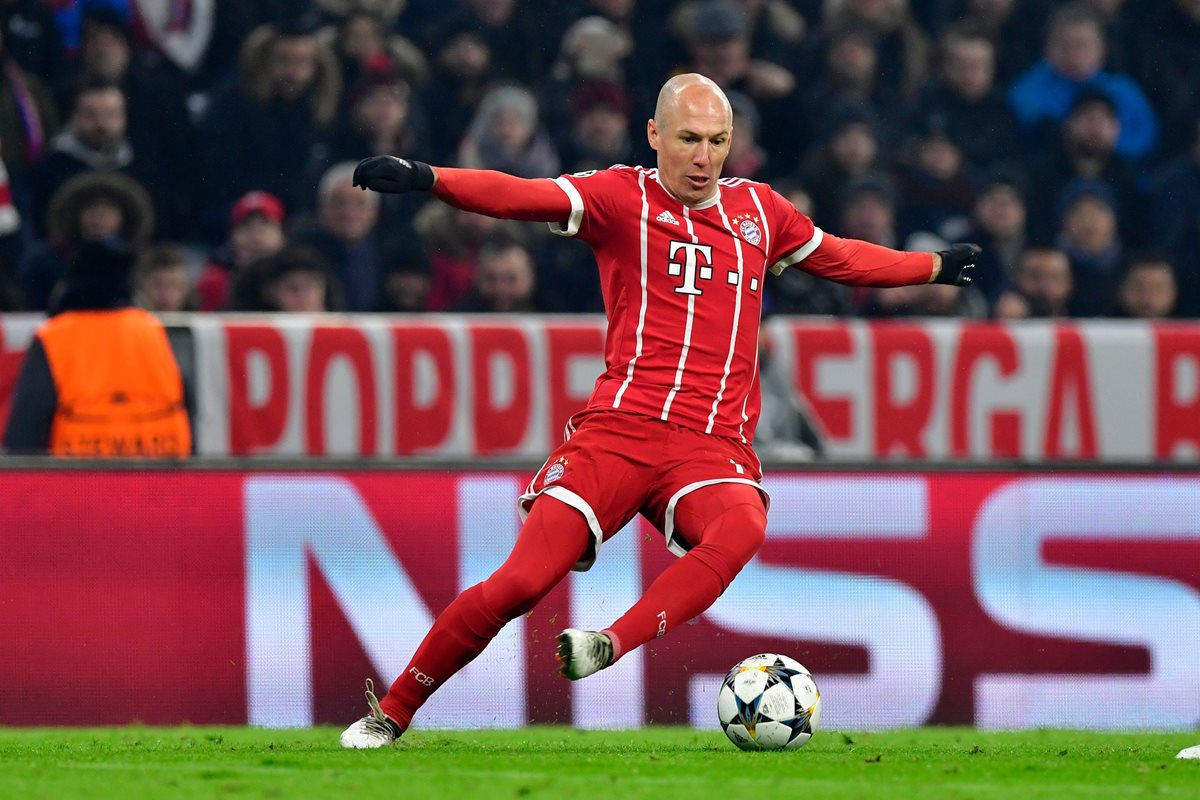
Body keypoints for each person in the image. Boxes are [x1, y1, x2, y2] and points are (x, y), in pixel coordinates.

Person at [339, 72, 980, 748]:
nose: (704, 157)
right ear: (654, 135)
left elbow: (842, 257)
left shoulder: (761, 211)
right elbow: (519, 196)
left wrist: (931, 267)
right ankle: (394, 711)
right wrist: (423, 176)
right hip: (618, 431)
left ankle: (609, 645)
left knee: (743, 527)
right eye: (689, 139)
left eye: (718, 141)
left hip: (711, 445)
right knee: (521, 582)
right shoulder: (618, 195)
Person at [3, 240, 191, 457]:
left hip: (77, 479)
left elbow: (26, 427)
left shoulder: (55, 336)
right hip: (160, 476)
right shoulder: (152, 329)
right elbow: (186, 405)